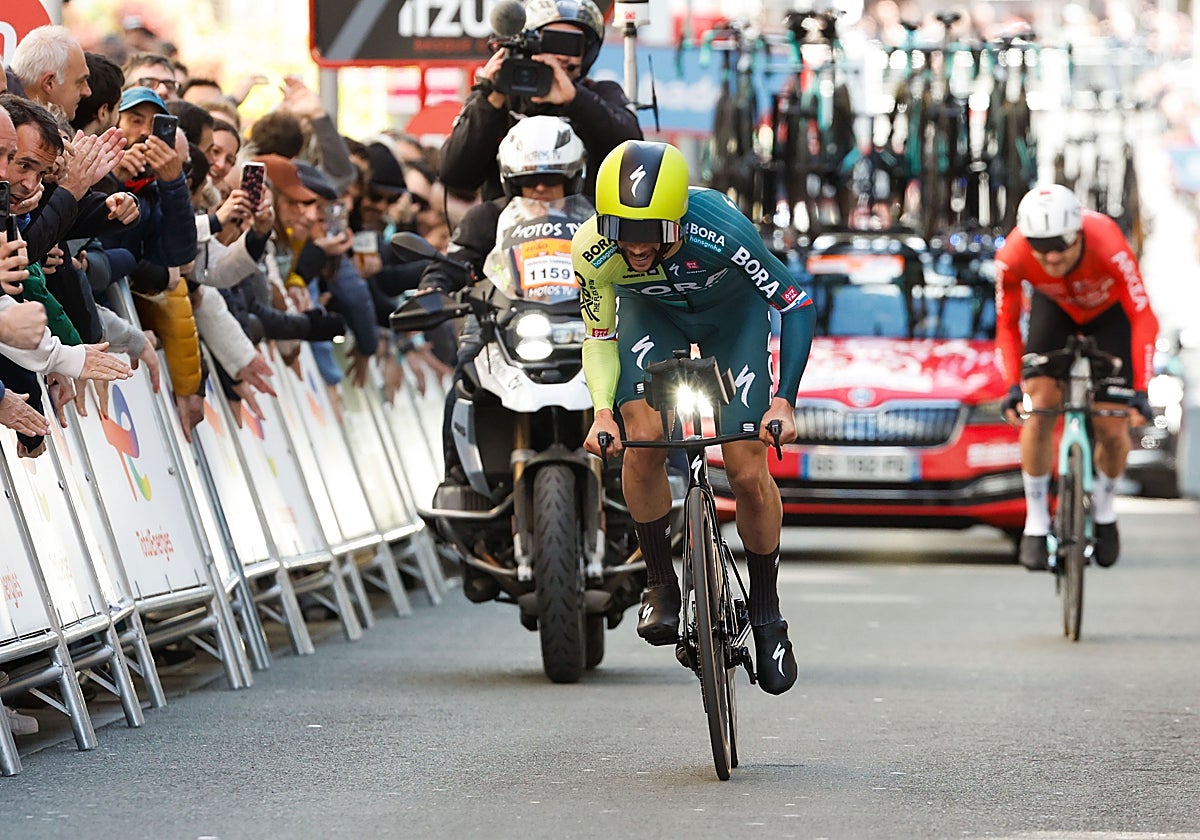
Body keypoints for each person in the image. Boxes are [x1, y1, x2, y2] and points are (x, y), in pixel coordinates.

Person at [573, 140, 816, 695]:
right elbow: (600, 336)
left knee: (747, 471)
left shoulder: (722, 230)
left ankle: (767, 613)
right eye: (621, 231)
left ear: (679, 220)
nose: (636, 246)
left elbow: (794, 303)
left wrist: (784, 401)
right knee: (643, 439)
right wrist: (602, 412)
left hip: (732, 321)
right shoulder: (591, 250)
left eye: (652, 232)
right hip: (653, 316)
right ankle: (660, 582)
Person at [418, 115, 586, 491]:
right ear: (511, 181)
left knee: (643, 383)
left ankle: (666, 473)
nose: (540, 188)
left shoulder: (597, 219)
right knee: (464, 380)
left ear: (574, 177)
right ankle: (458, 481)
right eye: (529, 180)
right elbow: (454, 261)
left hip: (587, 324)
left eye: (552, 178)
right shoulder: (486, 218)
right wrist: (432, 288)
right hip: (502, 324)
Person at [997, 184, 1158, 571]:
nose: (1052, 257)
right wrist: (1012, 386)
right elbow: (1007, 323)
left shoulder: (1107, 241)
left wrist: (1141, 388)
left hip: (1111, 316)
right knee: (1039, 407)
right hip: (1056, 310)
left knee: (1111, 425)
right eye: (1042, 248)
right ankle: (1036, 522)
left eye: (1061, 245)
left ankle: (1104, 509)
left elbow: (1142, 316)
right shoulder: (1012, 254)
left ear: (1079, 234)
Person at [439, 0, 641, 202]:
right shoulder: (498, 98)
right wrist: (489, 100)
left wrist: (575, 100)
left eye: (571, 45)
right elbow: (455, 176)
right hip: (506, 218)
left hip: (583, 218)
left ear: (586, 54)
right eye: (551, 42)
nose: (560, 56)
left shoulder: (601, 94)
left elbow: (634, 157)